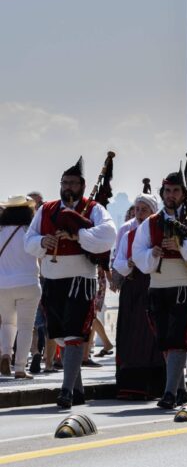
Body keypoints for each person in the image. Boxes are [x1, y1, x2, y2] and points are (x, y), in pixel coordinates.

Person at [23, 157, 117, 408]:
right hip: (52, 280)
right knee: (61, 335)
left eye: (73, 183)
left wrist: (79, 235)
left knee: (75, 333)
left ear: (82, 185)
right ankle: (77, 390)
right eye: (65, 182)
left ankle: (65, 391)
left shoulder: (93, 208)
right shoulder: (46, 209)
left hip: (80, 279)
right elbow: (28, 241)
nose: (68, 187)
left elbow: (109, 234)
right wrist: (43, 242)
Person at [133, 167, 187, 408]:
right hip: (158, 287)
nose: (171, 195)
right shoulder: (150, 223)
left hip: (183, 286)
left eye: (176, 191)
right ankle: (179, 390)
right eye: (168, 191)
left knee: (178, 339)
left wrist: (181, 246)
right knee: (164, 339)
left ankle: (169, 393)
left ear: (183, 193)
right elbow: (139, 254)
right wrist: (153, 253)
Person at [110, 187, 165, 399]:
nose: (140, 214)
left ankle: (155, 386)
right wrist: (130, 263)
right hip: (133, 290)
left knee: (153, 337)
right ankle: (132, 386)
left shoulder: (160, 234)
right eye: (137, 210)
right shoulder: (129, 235)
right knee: (131, 337)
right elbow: (119, 263)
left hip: (153, 288)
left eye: (144, 210)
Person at [0, 196, 40, 379]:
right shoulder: (30, 232)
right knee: (25, 326)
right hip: (28, 283)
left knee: (8, 322)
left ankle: (6, 354)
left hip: (3, 285)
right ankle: (20, 368)